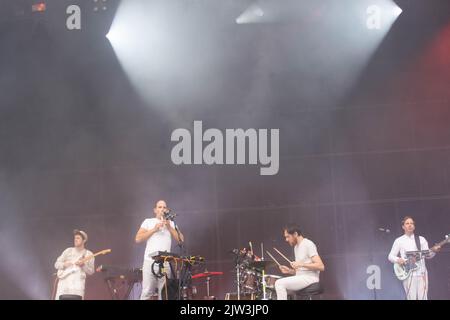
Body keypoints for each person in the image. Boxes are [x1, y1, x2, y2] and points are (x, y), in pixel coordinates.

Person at [135, 200, 184, 300]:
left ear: (167, 210)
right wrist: (154, 229)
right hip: (150, 262)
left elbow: (181, 240)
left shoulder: (171, 223)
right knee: (147, 291)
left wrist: (169, 227)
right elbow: (138, 238)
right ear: (155, 210)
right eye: (160, 207)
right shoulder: (148, 221)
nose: (162, 209)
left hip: (165, 263)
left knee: (164, 292)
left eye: (164, 207)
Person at [388, 216, 441, 300]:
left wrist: (434, 251)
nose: (410, 225)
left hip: (422, 273)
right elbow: (390, 256)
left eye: (412, 223)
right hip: (408, 274)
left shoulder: (421, 239)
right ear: (403, 227)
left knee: (423, 298)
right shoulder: (399, 240)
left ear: (414, 226)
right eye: (407, 223)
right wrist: (398, 260)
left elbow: (428, 255)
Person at [274, 225, 325, 300]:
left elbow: (321, 266)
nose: (286, 240)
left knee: (279, 283)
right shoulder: (296, 247)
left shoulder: (308, 244)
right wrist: (290, 271)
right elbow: (301, 271)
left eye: (288, 237)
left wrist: (301, 264)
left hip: (311, 278)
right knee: (281, 288)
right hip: (302, 277)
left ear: (295, 234)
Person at [54, 229, 95, 299]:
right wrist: (64, 264)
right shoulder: (68, 251)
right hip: (64, 285)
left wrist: (83, 265)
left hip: (77, 286)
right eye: (75, 238)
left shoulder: (89, 254)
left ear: (84, 240)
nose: (75, 240)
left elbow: (91, 271)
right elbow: (56, 264)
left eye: (78, 238)